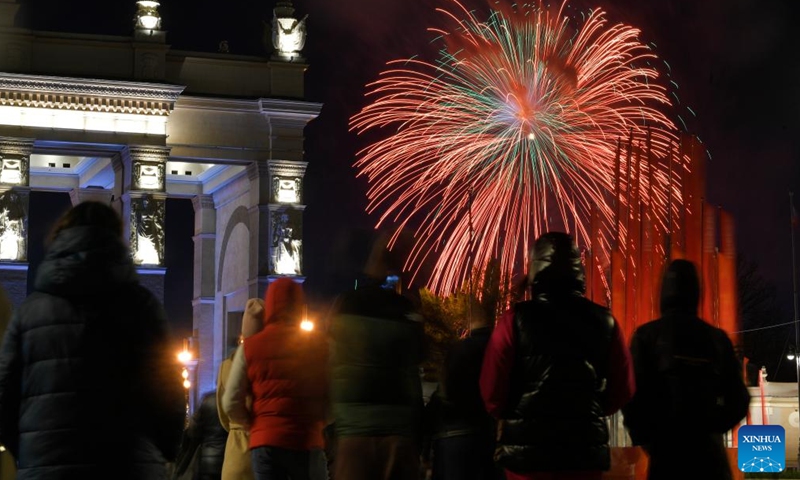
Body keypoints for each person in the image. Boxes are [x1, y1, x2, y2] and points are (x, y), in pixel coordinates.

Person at [0, 201, 186, 479]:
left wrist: (29, 452)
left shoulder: (29, 311)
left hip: (46, 466)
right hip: (127, 465)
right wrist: (165, 451)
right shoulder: (142, 306)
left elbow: (4, 395)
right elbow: (169, 393)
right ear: (119, 237)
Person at [480, 231, 635, 480]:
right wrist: (592, 407)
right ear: (578, 270)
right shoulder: (605, 321)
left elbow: (491, 392)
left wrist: (517, 412)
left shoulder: (514, 319)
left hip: (529, 459)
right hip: (583, 454)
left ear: (535, 270)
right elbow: (625, 388)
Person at [622, 259, 750, 480]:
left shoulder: (646, 337)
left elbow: (632, 398)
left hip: (666, 456)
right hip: (710, 458)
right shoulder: (716, 339)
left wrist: (649, 439)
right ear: (696, 292)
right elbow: (739, 400)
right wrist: (713, 427)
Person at [327, 230, 425, 480]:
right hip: (398, 430)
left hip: (353, 431)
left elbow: (330, 361)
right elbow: (419, 356)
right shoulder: (405, 311)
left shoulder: (345, 305)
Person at [222, 278, 329, 480]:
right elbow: (330, 394)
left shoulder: (251, 348)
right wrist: (320, 422)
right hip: (306, 440)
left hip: (265, 441)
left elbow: (230, 402)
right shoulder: (317, 347)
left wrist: (251, 423)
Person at [424, 301, 500, 480]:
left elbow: (444, 392)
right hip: (488, 434)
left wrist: (426, 445)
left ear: (469, 320)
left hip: (454, 434)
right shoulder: (500, 349)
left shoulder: (458, 350)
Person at [216, 298, 262, 480]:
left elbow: (223, 414)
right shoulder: (273, 367)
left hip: (236, 452)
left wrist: (237, 426)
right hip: (266, 450)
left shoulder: (227, 366)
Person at [174, 391, 229, 480]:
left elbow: (193, 430)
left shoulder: (207, 399)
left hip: (207, 459)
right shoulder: (230, 400)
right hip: (227, 458)